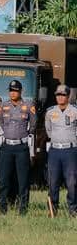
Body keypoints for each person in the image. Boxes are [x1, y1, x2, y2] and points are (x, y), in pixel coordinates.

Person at [0, 79, 35, 215]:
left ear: (21, 91)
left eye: (16, 91)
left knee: (23, 180)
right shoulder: (4, 105)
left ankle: (23, 210)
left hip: (21, 147)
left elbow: (33, 125)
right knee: (3, 180)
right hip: (6, 146)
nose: (13, 93)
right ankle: (2, 209)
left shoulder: (28, 105)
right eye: (11, 91)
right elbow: (1, 123)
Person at [44, 84, 77, 217]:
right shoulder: (50, 111)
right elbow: (49, 130)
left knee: (72, 182)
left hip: (71, 150)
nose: (60, 97)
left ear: (68, 96)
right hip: (55, 151)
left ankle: (73, 210)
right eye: (58, 95)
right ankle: (52, 210)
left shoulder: (75, 110)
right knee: (52, 181)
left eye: (63, 95)